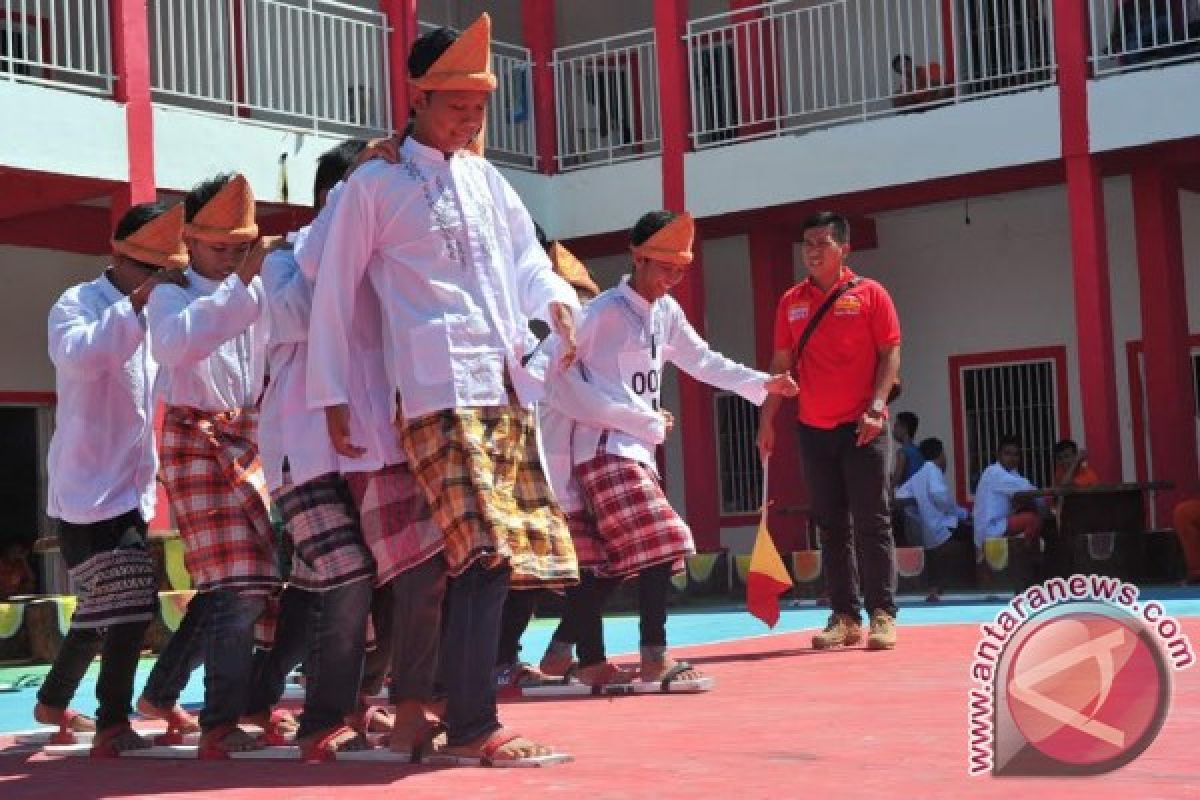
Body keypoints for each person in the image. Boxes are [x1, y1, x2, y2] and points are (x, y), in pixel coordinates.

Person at [307, 14, 578, 765]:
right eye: (457, 105)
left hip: (504, 385)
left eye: (480, 107)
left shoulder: (489, 179)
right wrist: (332, 394)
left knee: (502, 557)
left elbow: (527, 261)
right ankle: (471, 725)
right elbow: (330, 292)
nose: (470, 119)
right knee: (485, 549)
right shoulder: (374, 184)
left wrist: (554, 298)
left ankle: (447, 712)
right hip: (433, 390)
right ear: (419, 97)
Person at [548, 210, 796, 686]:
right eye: (666, 267)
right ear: (637, 257)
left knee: (615, 560)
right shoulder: (600, 314)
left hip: (635, 450)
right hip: (602, 449)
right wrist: (635, 416)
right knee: (665, 540)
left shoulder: (666, 313)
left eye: (681, 269)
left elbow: (702, 360)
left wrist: (763, 383)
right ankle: (654, 655)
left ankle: (563, 651)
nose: (674, 278)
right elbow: (556, 382)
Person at [297, 138, 451, 759]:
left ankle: (369, 705)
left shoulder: (389, 247)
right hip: (347, 443)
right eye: (374, 180)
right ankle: (329, 714)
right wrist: (352, 189)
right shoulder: (295, 257)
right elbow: (310, 286)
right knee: (385, 579)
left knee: (395, 584)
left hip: (404, 430)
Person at [242, 140, 380, 760]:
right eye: (357, 190)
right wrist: (341, 219)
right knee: (347, 572)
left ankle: (262, 697)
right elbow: (299, 315)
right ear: (332, 198)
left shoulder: (375, 254)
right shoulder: (282, 257)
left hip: (364, 446)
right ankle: (322, 717)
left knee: (317, 585)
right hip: (301, 448)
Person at [35, 202, 188, 756]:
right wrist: (135, 305)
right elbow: (76, 356)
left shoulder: (159, 313)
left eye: (160, 271)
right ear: (116, 253)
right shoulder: (75, 304)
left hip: (133, 483)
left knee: (106, 605)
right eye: (144, 267)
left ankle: (53, 700)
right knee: (131, 603)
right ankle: (113, 721)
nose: (153, 280)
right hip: (85, 486)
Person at [139, 173, 280, 758]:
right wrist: (242, 283)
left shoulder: (256, 288)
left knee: (246, 584)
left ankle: (166, 691)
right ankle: (222, 721)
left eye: (237, 247)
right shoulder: (172, 294)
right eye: (218, 247)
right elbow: (177, 346)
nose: (227, 258)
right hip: (195, 436)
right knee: (238, 586)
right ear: (190, 240)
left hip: (251, 435)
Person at [758, 211, 902, 651]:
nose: (813, 251)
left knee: (872, 522)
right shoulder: (790, 302)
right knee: (830, 525)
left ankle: (883, 613)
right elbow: (781, 366)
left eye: (823, 242)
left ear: (844, 249)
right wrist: (766, 418)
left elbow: (890, 356)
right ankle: (844, 615)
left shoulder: (871, 295)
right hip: (812, 429)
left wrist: (877, 409)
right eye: (808, 243)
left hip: (863, 429)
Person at [895, 437, 970, 602]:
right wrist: (961, 513)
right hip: (944, 526)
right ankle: (971, 580)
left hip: (928, 529)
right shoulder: (933, 470)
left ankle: (936, 587)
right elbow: (940, 497)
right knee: (973, 533)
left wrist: (918, 506)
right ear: (941, 454)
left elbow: (899, 497)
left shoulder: (918, 476)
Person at [972, 435, 1043, 553]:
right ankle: (1021, 551)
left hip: (1000, 524)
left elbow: (1028, 489)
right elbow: (1029, 490)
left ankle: (1023, 548)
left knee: (1031, 510)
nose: (1012, 458)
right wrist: (1054, 492)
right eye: (1008, 454)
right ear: (998, 455)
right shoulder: (994, 472)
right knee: (1033, 519)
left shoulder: (1011, 473)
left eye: (1016, 454)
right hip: (991, 529)